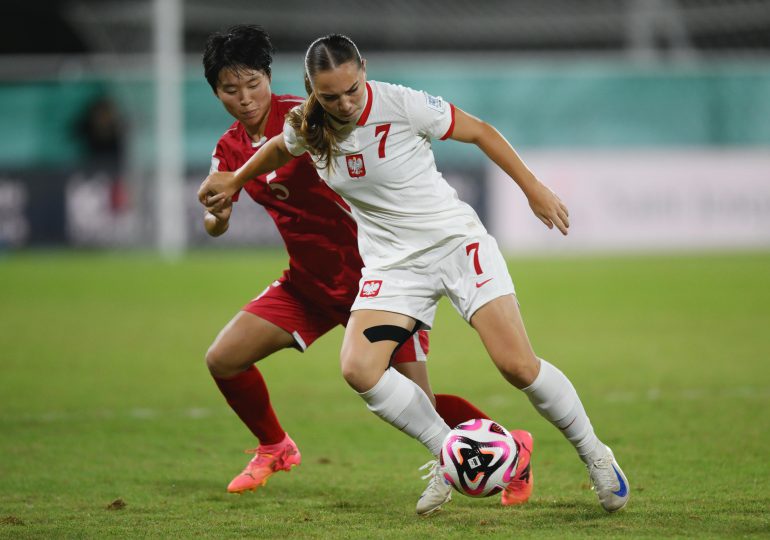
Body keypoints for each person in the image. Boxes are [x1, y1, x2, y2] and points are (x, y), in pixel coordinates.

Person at [200, 25, 533, 511]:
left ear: (270, 78)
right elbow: (215, 218)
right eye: (231, 90)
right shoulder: (228, 148)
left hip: (377, 281)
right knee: (223, 358)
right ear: (215, 91)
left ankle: (513, 452)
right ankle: (275, 446)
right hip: (308, 284)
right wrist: (218, 214)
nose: (245, 98)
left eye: (253, 84)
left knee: (419, 403)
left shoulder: (313, 116)